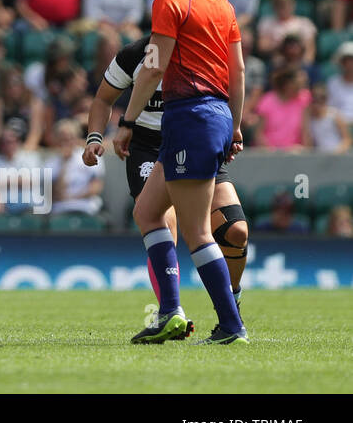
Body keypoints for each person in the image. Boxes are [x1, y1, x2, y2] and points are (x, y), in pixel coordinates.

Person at [117, 0, 249, 344]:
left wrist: (128, 121)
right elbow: (238, 71)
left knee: (197, 232)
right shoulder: (221, 1)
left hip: (190, 115)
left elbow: (153, 66)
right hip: (209, 116)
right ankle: (169, 312)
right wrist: (235, 124)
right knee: (148, 212)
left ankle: (231, 325)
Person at [85, 33, 251, 321]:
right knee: (163, 221)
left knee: (235, 230)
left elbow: (227, 93)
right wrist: (94, 137)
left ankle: (231, 295)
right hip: (148, 147)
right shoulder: (134, 54)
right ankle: (171, 312)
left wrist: (230, 133)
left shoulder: (202, 51)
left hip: (193, 141)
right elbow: (103, 99)